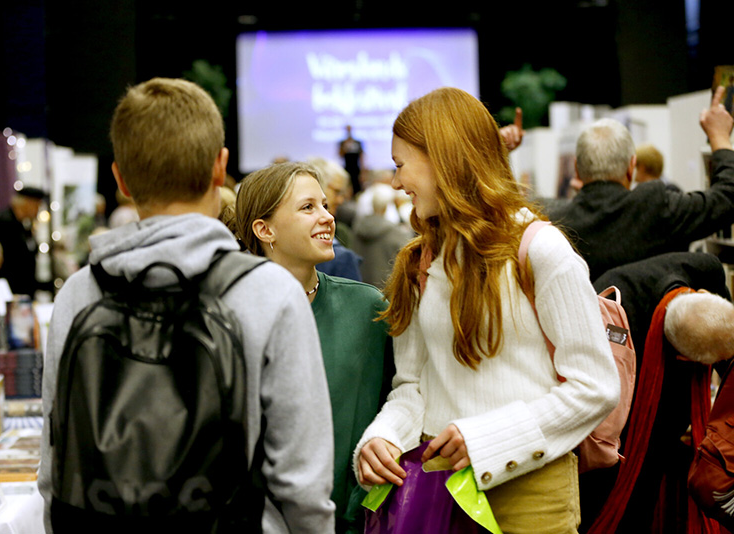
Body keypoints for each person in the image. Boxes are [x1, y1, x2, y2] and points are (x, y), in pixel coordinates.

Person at [38, 78, 336, 534]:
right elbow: (302, 484)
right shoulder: (269, 292)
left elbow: (55, 466)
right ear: (221, 167)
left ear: (120, 179)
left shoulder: (79, 293)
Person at [354, 87, 619, 533]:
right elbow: (412, 386)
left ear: (444, 157)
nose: (395, 183)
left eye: (401, 165)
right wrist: (383, 437)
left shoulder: (540, 250)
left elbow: (595, 386)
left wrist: (487, 440)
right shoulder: (420, 260)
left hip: (530, 495)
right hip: (435, 489)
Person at [235, 161, 393, 534]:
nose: (326, 217)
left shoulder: (367, 309)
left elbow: (398, 402)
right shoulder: (231, 313)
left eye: (325, 204)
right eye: (308, 208)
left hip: (354, 521)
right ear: (265, 229)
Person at [581, 252, 731, 533]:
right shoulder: (614, 313)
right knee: (623, 495)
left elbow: (726, 349)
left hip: (666, 413)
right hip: (625, 420)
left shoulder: (706, 273)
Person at [548, 86, 734, 281]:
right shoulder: (653, 207)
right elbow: (726, 197)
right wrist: (719, 137)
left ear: (577, 169)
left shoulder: (554, 224)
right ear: (631, 167)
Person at [351, 183, 414, 288]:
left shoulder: (357, 229)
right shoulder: (397, 233)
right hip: (386, 291)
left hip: (361, 288)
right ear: (386, 206)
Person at [0, 186, 45, 297]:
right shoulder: (5, 224)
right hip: (12, 293)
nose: (38, 211)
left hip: (24, 293)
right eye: (37, 206)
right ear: (27, 203)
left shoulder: (24, 226)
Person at [339, 125, 364, 195]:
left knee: (357, 186)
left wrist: (363, 171)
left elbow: (362, 156)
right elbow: (340, 154)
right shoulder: (343, 143)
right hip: (347, 168)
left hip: (356, 168)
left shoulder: (357, 142)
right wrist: (345, 147)